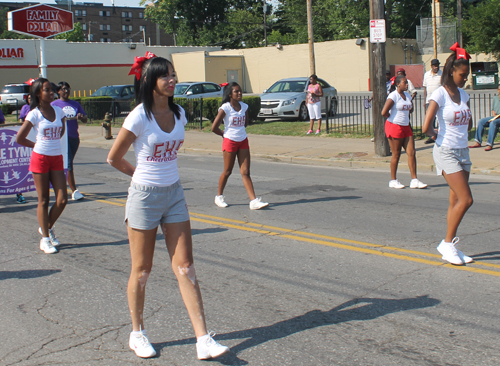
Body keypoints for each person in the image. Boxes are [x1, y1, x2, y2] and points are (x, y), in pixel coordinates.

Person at [107, 53, 230, 360]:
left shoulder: (179, 113)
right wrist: (139, 175)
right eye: (166, 76)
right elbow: (113, 157)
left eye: (174, 75)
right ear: (150, 81)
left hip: (174, 194)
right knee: (142, 270)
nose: (173, 80)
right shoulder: (138, 116)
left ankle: (203, 339)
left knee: (186, 266)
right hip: (145, 198)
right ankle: (138, 333)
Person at [422, 42, 474, 266]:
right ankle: (446, 244)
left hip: (463, 151)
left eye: (467, 74)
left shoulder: (464, 94)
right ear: (452, 71)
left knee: (455, 200)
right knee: (466, 199)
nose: (465, 78)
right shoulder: (439, 94)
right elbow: (426, 127)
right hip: (446, 151)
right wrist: (437, 136)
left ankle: (449, 244)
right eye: (463, 74)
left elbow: (468, 121)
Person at [16, 78, 68, 254]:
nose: (51, 93)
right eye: (47, 90)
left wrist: (51, 142)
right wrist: (38, 145)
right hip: (40, 159)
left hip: (56, 158)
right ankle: (45, 239)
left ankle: (46, 227)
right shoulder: (34, 114)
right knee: (43, 200)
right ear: (38, 93)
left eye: (51, 90)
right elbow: (20, 138)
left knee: (62, 199)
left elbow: (61, 130)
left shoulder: (59, 111)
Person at [211, 82, 269, 210]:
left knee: (246, 172)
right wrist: (224, 135)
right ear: (230, 94)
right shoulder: (225, 108)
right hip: (229, 141)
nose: (239, 93)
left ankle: (253, 201)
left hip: (243, 140)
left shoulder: (244, 107)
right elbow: (214, 127)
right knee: (227, 171)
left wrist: (239, 132)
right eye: (236, 91)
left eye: (240, 91)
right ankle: (219, 196)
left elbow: (245, 123)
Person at [381, 74, 427, 189]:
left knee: (411, 152)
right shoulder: (393, 96)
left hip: (406, 126)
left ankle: (414, 180)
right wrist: (392, 118)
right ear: (398, 84)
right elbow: (384, 112)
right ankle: (393, 180)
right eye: (404, 83)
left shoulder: (407, 95)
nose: (407, 85)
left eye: (407, 83)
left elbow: (411, 109)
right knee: (396, 154)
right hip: (395, 126)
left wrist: (408, 107)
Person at [52, 81, 88, 200]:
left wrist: (82, 117)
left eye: (67, 89)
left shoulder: (75, 104)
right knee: (68, 163)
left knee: (67, 162)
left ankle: (59, 185)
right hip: (62, 137)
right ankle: (74, 190)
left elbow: (85, 119)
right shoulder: (54, 105)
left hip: (74, 137)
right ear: (58, 91)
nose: (66, 91)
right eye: (63, 89)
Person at [469, 84, 500, 151]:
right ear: (498, 90)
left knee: (493, 123)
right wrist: (494, 115)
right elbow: (493, 109)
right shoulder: (495, 98)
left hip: (499, 118)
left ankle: (489, 144)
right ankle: (478, 141)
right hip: (495, 117)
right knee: (481, 121)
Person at [423, 59, 443, 144]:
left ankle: (439, 135)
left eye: (437, 65)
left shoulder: (441, 74)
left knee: (439, 118)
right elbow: (425, 88)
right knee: (431, 119)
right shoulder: (426, 74)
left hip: (439, 101)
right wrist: (425, 100)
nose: (436, 67)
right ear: (431, 66)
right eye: (434, 65)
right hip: (429, 100)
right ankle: (432, 136)